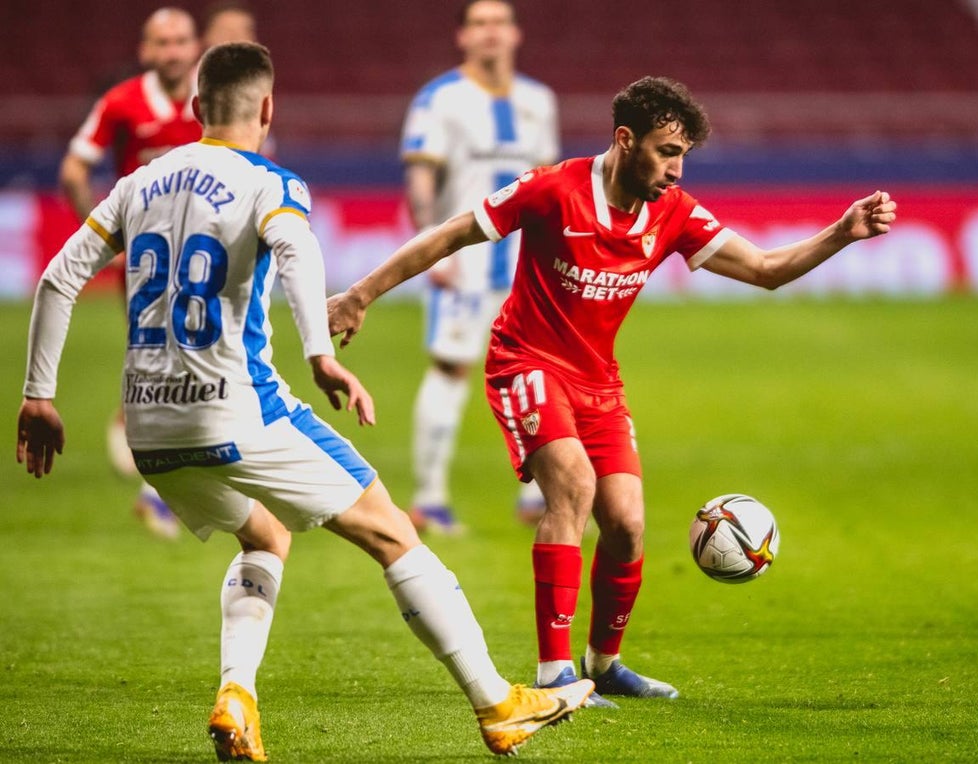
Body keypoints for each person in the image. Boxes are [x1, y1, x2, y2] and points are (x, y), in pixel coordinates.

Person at [17, 42, 591, 760]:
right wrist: (321, 354)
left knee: (265, 535)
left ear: (196, 110)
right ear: (267, 109)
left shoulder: (139, 183)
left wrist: (38, 395)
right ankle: (497, 703)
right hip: (238, 408)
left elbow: (55, 281)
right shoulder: (271, 182)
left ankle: (237, 696)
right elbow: (295, 252)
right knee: (389, 529)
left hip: (150, 429)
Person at [328, 76, 898, 706]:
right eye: (666, 152)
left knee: (626, 525)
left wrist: (841, 233)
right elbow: (451, 233)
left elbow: (763, 270)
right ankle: (553, 675)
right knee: (573, 486)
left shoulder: (673, 212)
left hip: (597, 379)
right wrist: (360, 294)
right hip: (525, 362)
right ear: (626, 141)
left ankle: (603, 664)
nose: (676, 171)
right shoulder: (554, 189)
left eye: (683, 156)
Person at [399, 0, 558, 533]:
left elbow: (548, 181)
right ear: (462, 36)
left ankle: (539, 498)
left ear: (515, 34)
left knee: (539, 374)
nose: (490, 33)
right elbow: (421, 176)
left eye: (499, 23)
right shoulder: (439, 98)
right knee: (451, 368)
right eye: (478, 24)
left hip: (528, 265)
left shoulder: (539, 100)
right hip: (464, 261)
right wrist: (428, 246)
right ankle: (430, 499)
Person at [59, 6, 203, 539]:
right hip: (147, 263)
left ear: (196, 46)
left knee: (184, 364)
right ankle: (159, 489)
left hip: (208, 258)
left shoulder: (213, 98)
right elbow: (74, 170)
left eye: (181, 41)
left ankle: (137, 429)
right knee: (175, 362)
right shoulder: (121, 103)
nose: (172, 51)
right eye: (162, 42)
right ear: (146, 50)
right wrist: (105, 239)